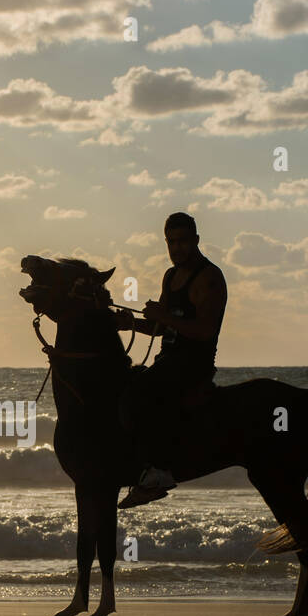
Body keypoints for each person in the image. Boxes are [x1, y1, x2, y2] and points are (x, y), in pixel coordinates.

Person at [116, 211, 227, 508]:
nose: (177, 248)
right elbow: (159, 327)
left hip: (194, 363)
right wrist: (130, 324)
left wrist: (163, 316)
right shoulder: (170, 275)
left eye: (183, 242)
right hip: (169, 359)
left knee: (137, 396)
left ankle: (158, 472)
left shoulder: (209, 277)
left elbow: (205, 331)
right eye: (171, 242)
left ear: (196, 241)